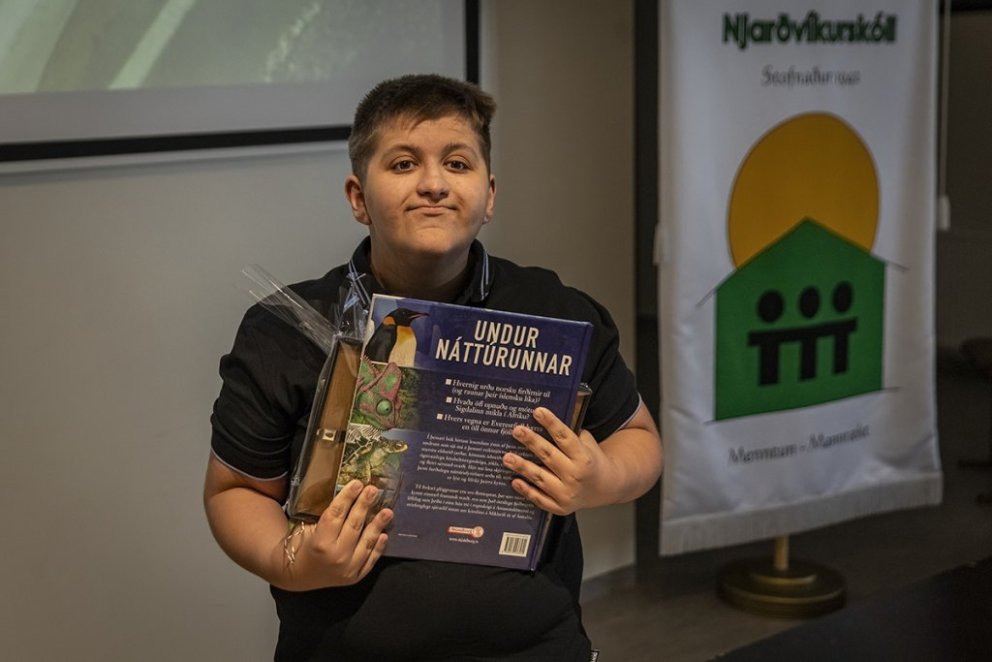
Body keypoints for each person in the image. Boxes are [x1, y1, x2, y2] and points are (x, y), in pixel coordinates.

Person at [205, 73, 663, 661]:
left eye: (457, 163)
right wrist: (292, 561)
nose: (433, 184)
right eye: (403, 164)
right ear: (357, 198)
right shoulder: (285, 329)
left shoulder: (557, 313)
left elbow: (639, 440)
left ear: (489, 195)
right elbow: (234, 491)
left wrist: (601, 478)